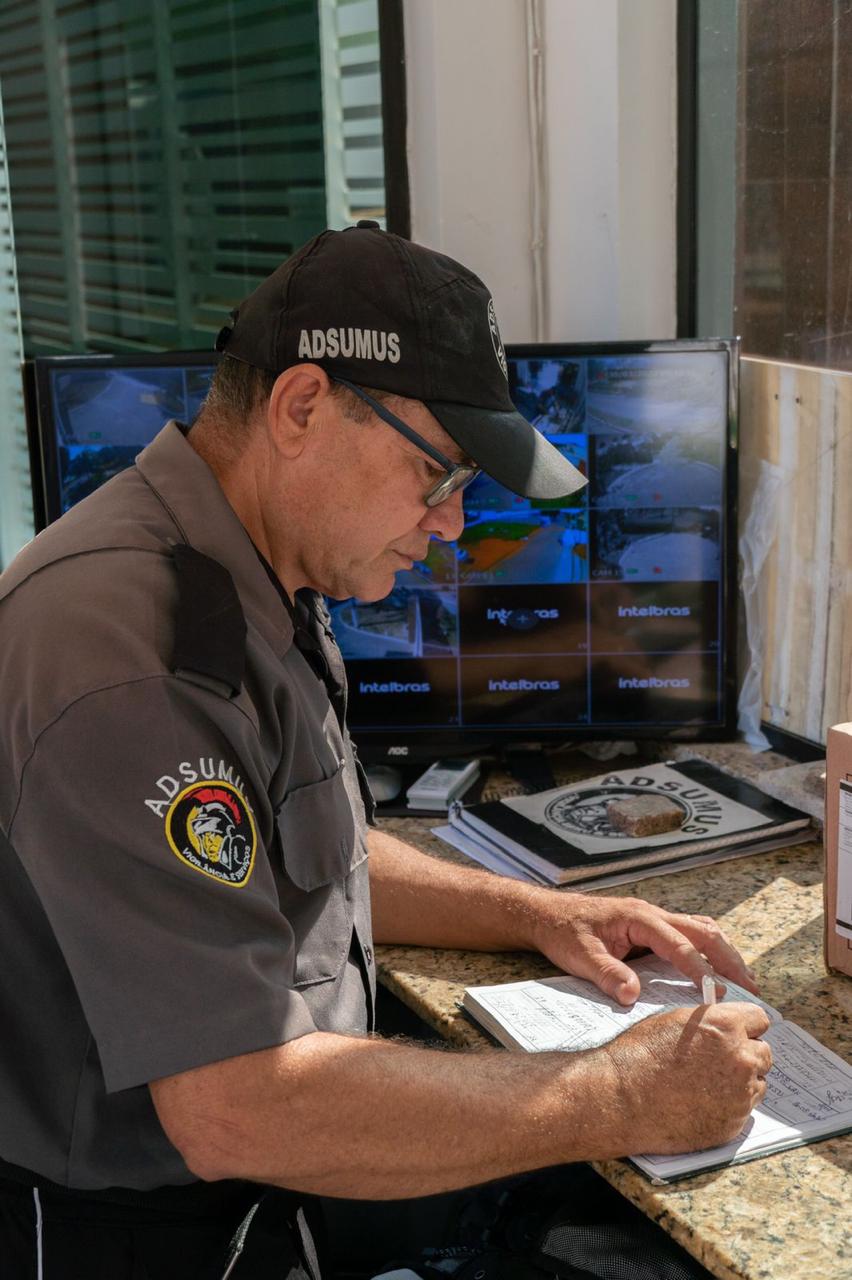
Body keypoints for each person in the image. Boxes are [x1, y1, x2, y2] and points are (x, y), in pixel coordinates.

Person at [0, 222, 771, 1279]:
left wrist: (541, 914)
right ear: (301, 407)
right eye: (437, 474)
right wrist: (624, 1093)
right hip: (145, 1236)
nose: (451, 525)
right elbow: (236, 1102)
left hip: (273, 1186)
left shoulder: (256, 564)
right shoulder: (132, 658)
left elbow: (314, 855)